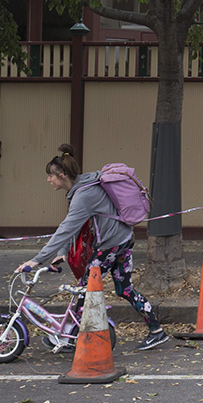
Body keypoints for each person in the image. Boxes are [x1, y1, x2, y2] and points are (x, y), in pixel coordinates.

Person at [16, 145, 169, 351]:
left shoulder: (83, 196)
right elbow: (75, 226)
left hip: (111, 245)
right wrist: (61, 253)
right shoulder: (86, 184)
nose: (48, 180)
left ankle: (69, 337)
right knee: (124, 289)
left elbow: (66, 229)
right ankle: (156, 331)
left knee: (85, 288)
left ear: (62, 176)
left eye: (50, 176)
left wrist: (37, 260)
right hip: (124, 239)